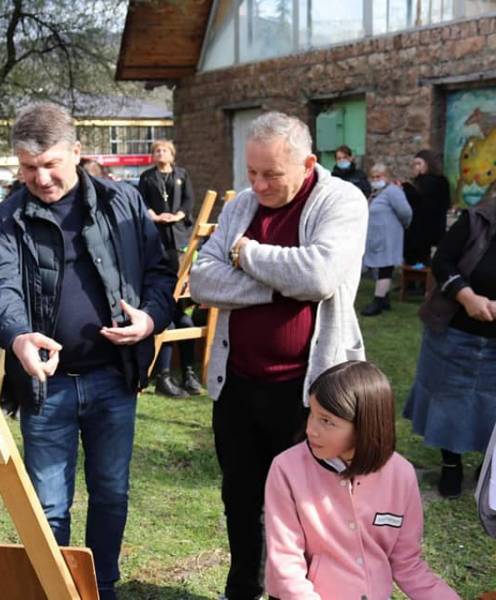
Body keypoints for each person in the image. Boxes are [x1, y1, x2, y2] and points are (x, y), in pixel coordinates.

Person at [0, 102, 174, 599]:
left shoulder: (122, 203)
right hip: (46, 385)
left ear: (77, 153)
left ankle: (102, 585)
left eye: (50, 165)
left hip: (113, 378)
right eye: (27, 167)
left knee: (111, 492)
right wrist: (19, 336)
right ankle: (54, 589)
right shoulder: (4, 219)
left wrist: (149, 318)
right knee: (48, 504)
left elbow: (160, 271)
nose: (40, 178)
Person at [190, 111, 368, 600]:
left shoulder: (342, 200)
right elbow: (202, 280)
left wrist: (245, 255)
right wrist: (278, 289)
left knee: (310, 506)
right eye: (251, 172)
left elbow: (318, 277)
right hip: (239, 384)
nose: (259, 184)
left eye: (272, 174)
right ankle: (244, 588)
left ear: (308, 163)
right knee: (241, 498)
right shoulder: (242, 206)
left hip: (310, 392)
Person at [264, 361, 460, 600]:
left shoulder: (401, 474)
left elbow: (408, 564)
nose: (311, 430)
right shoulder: (286, 468)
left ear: (365, 427)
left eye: (327, 421)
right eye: (312, 415)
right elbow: (286, 564)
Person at [403, 182, 496, 499]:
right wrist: (467, 297)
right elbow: (442, 261)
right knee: (448, 401)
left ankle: (488, 467)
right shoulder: (475, 220)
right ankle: (451, 465)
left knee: (492, 406)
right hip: (455, 332)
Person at [138, 139, 201, 397]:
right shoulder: (147, 177)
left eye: (164, 150)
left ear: (172, 154)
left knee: (183, 317)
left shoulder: (181, 175)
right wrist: (153, 215)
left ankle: (188, 372)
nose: (160, 153)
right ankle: (164, 375)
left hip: (179, 239)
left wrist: (177, 216)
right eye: (156, 150)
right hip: (157, 238)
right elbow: (141, 202)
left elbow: (189, 201)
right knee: (172, 316)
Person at [360, 163, 413, 316]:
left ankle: (378, 301)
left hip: (389, 236)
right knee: (381, 267)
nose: (376, 179)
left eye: (379, 176)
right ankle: (385, 300)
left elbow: (405, 212)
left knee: (385, 268)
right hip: (378, 237)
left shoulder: (393, 192)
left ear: (387, 177)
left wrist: (403, 226)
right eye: (373, 177)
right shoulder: (376, 193)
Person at [403, 149, 451, 267]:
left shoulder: (435, 181)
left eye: (419, 164)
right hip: (419, 228)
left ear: (428, 164)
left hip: (426, 228)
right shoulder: (423, 181)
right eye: (414, 164)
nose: (416, 167)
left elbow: (421, 200)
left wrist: (407, 188)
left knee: (422, 259)